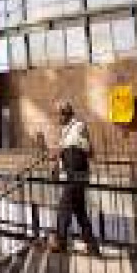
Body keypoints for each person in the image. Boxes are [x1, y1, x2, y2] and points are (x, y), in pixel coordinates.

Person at [49, 101, 100, 256]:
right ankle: (92, 246)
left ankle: (60, 242)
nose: (58, 118)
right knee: (79, 211)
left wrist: (61, 153)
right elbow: (67, 149)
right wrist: (58, 160)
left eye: (59, 115)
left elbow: (79, 149)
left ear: (66, 114)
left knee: (64, 208)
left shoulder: (77, 126)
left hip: (76, 174)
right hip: (75, 173)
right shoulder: (67, 130)